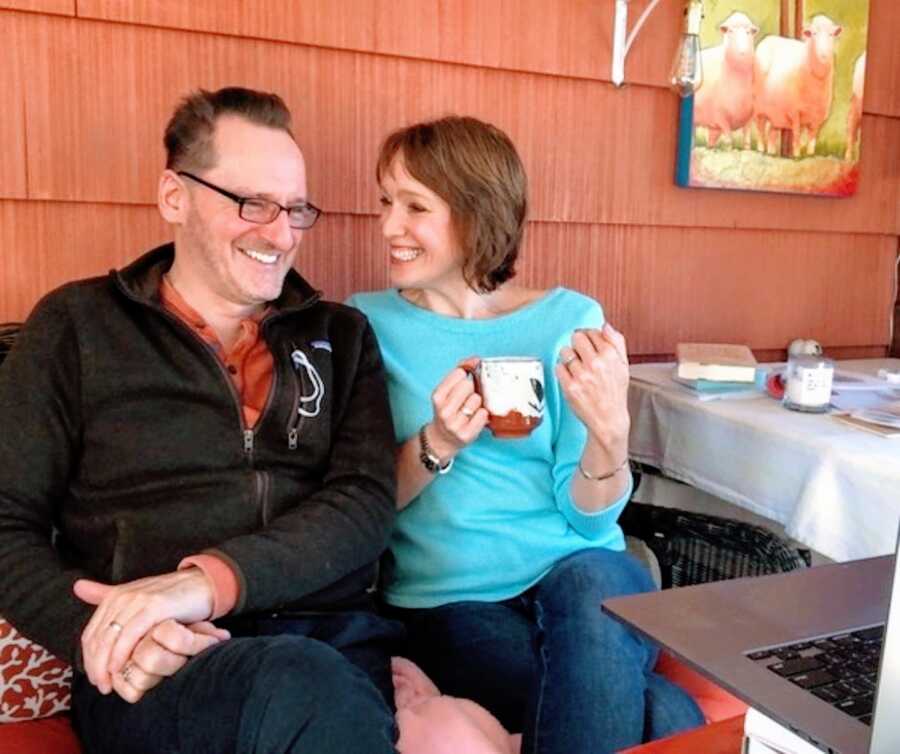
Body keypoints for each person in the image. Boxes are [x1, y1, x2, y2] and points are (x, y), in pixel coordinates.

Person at [0, 87, 403, 754]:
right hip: (162, 669)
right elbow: (6, 524)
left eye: (296, 209)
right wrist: (100, 632)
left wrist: (202, 584)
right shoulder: (76, 326)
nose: (280, 235)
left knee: (310, 684)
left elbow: (363, 503)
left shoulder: (342, 336)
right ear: (173, 197)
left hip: (329, 642)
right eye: (252, 204)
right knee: (299, 688)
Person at [347, 116, 705, 754]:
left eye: (414, 207)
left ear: (475, 213)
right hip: (451, 605)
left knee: (598, 578)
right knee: (664, 710)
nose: (388, 227)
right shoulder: (366, 325)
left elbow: (590, 521)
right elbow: (363, 506)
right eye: (386, 202)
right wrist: (438, 444)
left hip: (579, 574)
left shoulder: (570, 320)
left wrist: (609, 430)